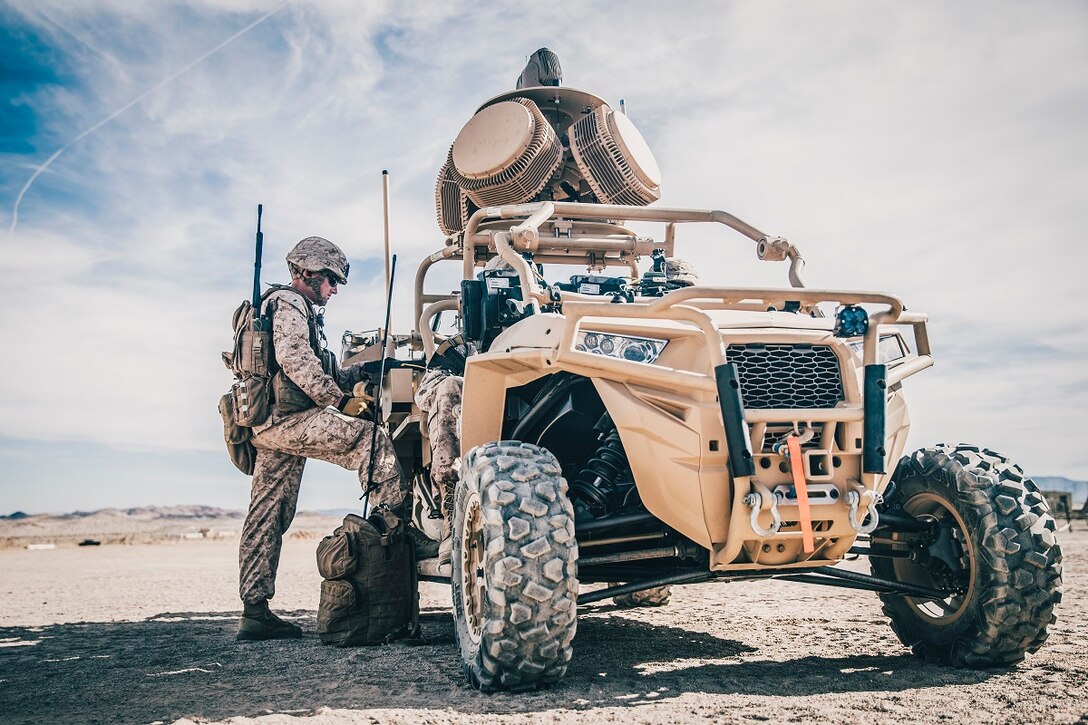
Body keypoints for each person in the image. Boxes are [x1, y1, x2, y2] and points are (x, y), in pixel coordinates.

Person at [237, 236, 428, 641]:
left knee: (268, 514)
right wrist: (340, 401)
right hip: (288, 421)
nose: (335, 289)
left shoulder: (288, 308)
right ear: (308, 273)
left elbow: (311, 367)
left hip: (269, 425)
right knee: (370, 441)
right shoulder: (289, 304)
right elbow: (296, 362)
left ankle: (254, 610)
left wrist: (360, 375)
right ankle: (394, 538)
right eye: (331, 280)